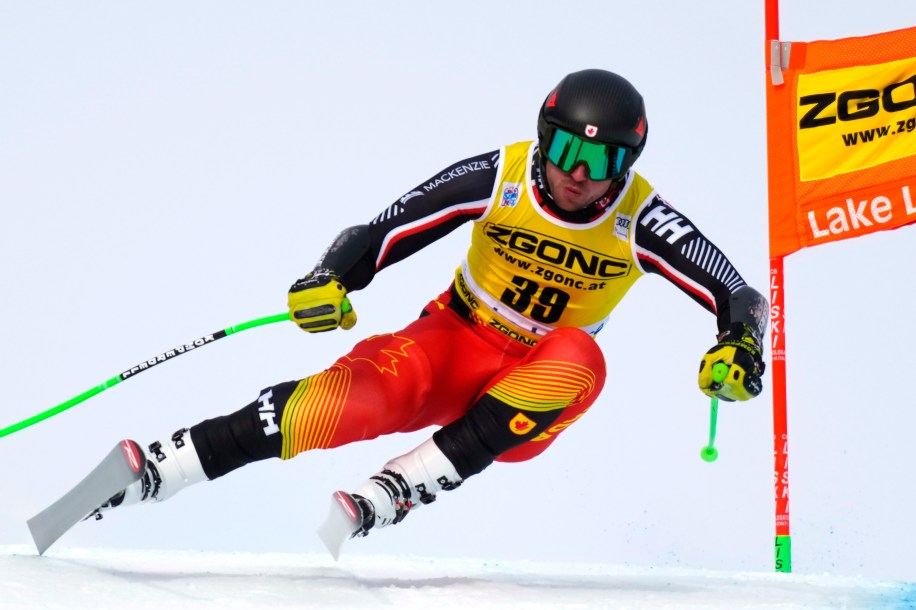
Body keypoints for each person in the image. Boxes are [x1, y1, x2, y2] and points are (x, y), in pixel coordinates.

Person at [92, 68, 768, 555]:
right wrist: (331, 277)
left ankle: (405, 486)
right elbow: (389, 227)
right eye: (566, 149)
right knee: (357, 400)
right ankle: (168, 464)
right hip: (455, 338)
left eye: (602, 159)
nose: (578, 173)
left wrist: (739, 346)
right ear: (544, 138)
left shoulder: (640, 217)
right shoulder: (500, 176)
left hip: (536, 386)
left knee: (582, 356)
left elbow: (735, 292)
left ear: (627, 163)